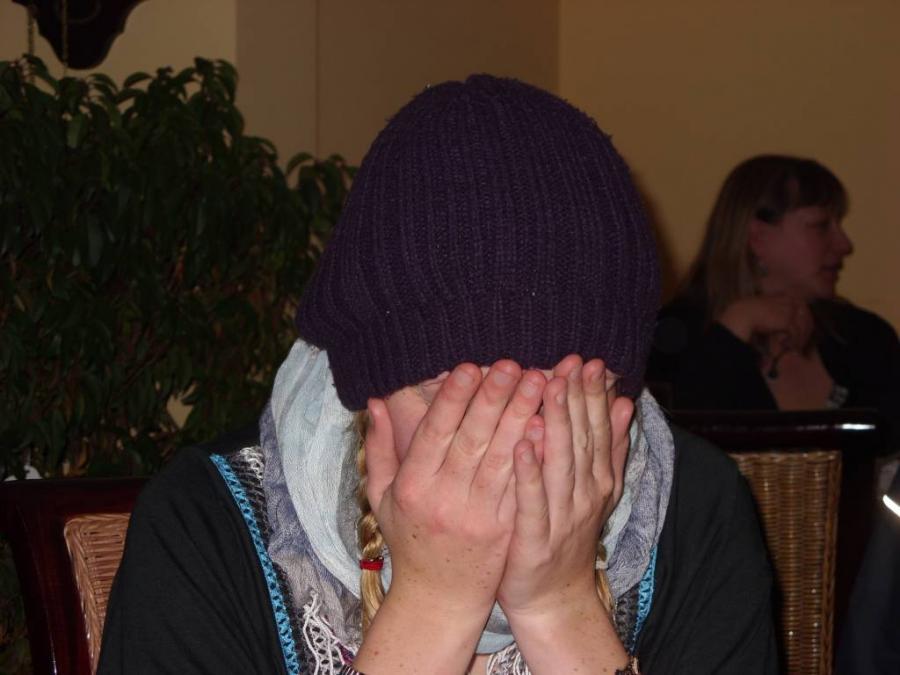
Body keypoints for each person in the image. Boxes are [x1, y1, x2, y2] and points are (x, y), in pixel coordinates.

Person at [99, 76, 777, 674]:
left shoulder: (696, 511)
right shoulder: (205, 526)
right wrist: (434, 604)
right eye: (454, 393)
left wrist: (558, 608)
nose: (507, 443)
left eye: (558, 394)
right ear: (365, 392)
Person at [647, 155, 899, 434]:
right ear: (758, 237)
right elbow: (674, 444)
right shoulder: (668, 339)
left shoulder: (864, 337)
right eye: (821, 225)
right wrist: (735, 328)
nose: (845, 245)